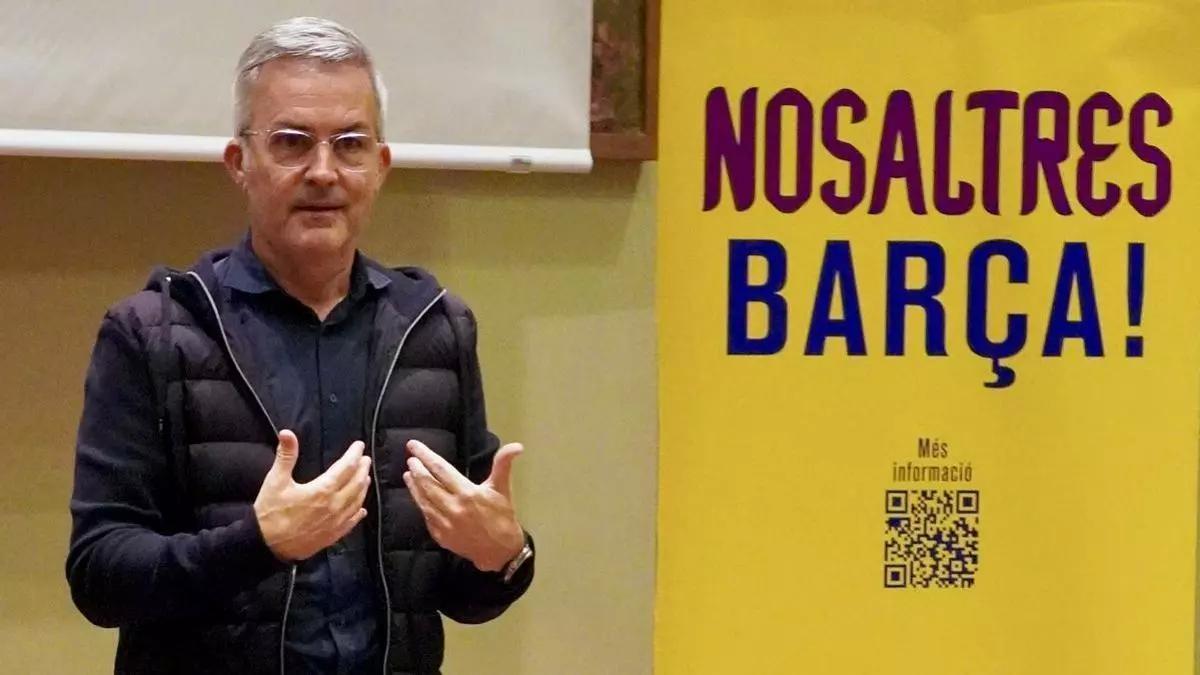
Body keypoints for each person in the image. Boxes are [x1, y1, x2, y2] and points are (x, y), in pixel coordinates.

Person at [65, 16, 534, 675]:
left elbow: (462, 592)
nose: (323, 171)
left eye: (350, 145)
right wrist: (256, 544)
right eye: (291, 143)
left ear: (380, 166)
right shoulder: (154, 333)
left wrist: (504, 556)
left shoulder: (435, 328)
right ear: (240, 162)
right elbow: (99, 576)